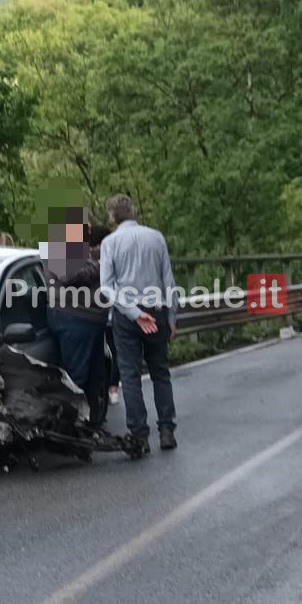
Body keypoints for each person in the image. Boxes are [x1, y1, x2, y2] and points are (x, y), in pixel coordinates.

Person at [99, 194, 177, 457]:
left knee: (130, 376)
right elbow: (168, 281)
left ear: (113, 217)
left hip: (126, 316)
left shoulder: (110, 243)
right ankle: (167, 430)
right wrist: (172, 317)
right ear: (133, 212)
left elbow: (107, 287)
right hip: (156, 311)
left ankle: (139, 435)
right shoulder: (156, 237)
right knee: (160, 373)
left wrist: (133, 312)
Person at [43, 208, 108, 424]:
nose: (89, 230)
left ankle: (92, 422)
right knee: (77, 376)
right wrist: (100, 266)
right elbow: (70, 275)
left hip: (90, 319)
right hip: (74, 317)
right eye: (85, 226)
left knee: (95, 376)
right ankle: (73, 425)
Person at [88, 223, 120, 407]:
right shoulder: (96, 260)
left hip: (102, 314)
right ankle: (110, 387)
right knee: (109, 353)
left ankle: (111, 387)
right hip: (101, 313)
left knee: (111, 352)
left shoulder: (105, 259)